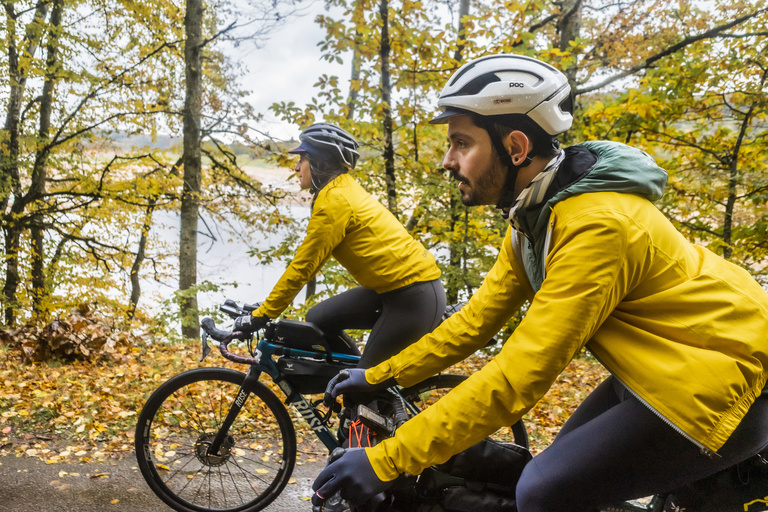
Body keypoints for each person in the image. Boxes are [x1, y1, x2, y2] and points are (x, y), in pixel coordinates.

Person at [312, 54, 768, 512]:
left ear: (515, 147)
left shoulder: (597, 224)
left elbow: (519, 376)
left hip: (727, 374)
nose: (447, 161)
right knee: (548, 478)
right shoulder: (533, 219)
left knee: (542, 491)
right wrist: (378, 375)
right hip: (662, 362)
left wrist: (388, 460)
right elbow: (475, 321)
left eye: (461, 143)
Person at [233, 122, 446, 370]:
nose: (296, 167)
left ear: (318, 162)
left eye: (301, 159)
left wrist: (264, 314)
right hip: (390, 289)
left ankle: (364, 389)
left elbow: (303, 267)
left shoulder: (335, 201)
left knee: (363, 383)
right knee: (318, 319)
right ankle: (349, 376)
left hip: (412, 297)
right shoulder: (337, 190)